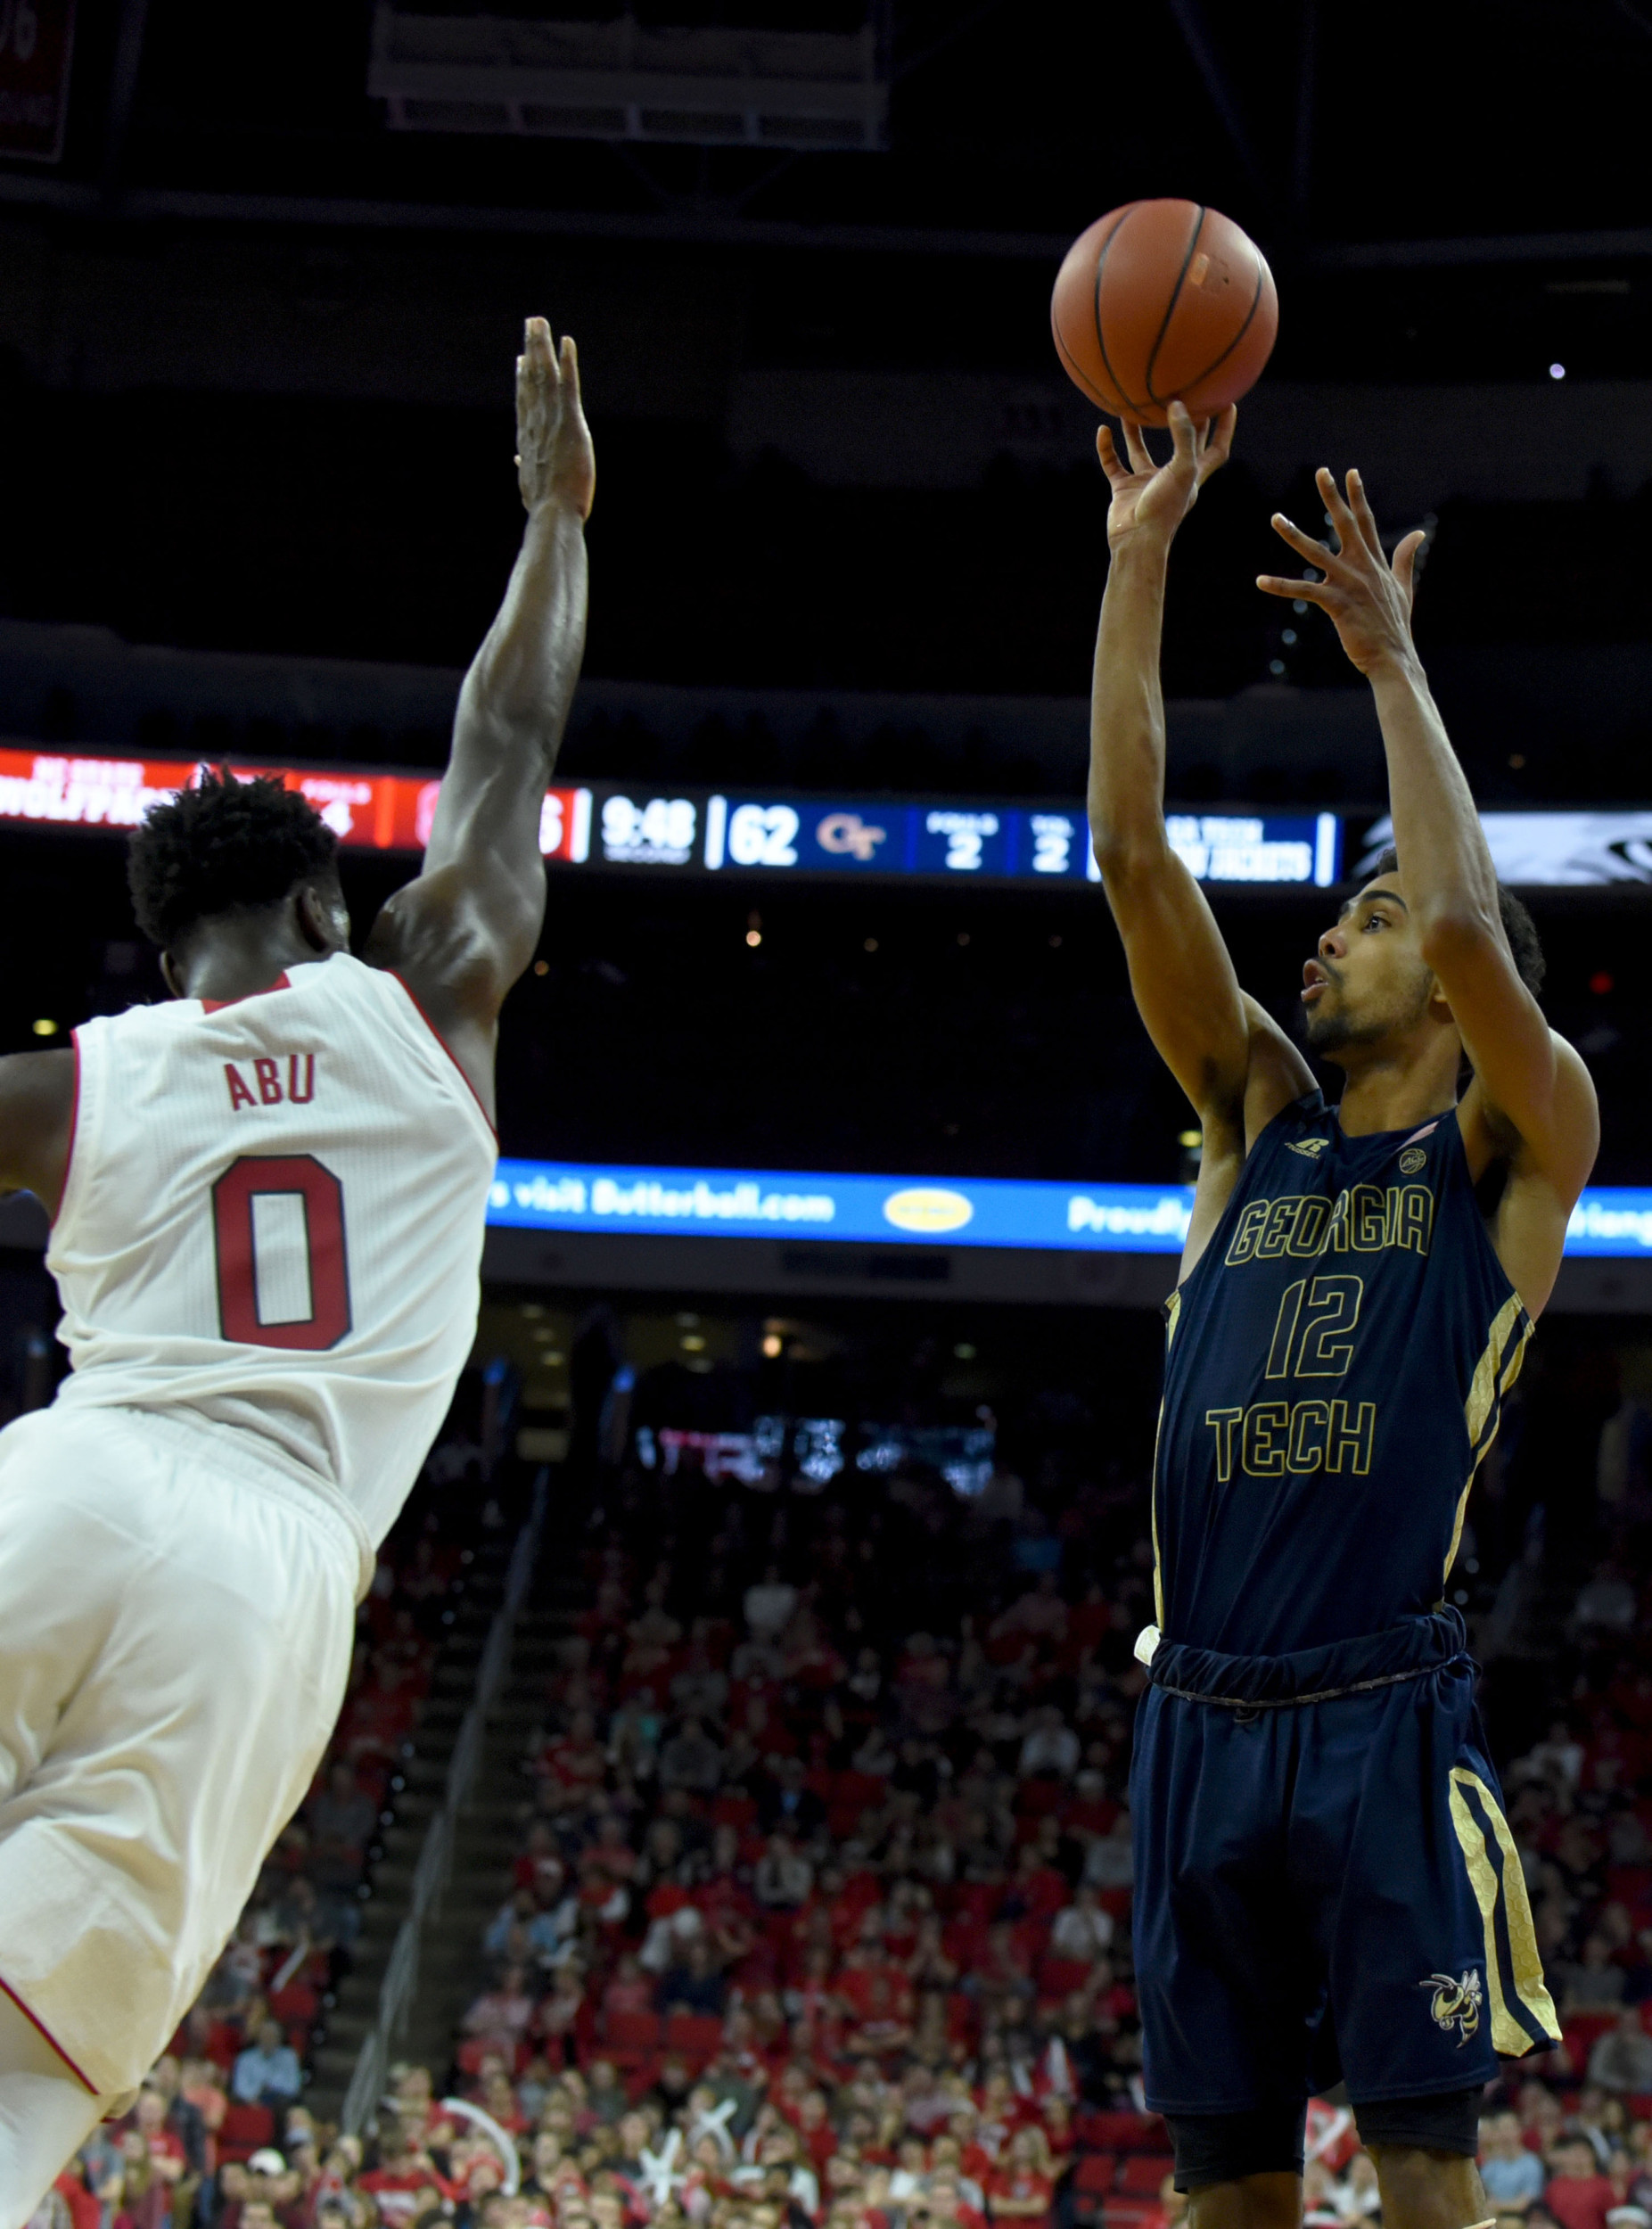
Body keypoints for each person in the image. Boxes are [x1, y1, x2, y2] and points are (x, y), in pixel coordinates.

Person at [0, 316, 595, 2213]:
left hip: (73, 1475)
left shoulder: (74, 1083)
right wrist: (557, 520)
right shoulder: (428, 990)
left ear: (163, 938)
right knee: (19, 2080)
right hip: (265, 1583)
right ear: (330, 904)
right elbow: (507, 740)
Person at [1087, 403, 1599, 2225]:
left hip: (1380, 1708)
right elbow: (1133, 858)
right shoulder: (1251, 1124)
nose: (1331, 937)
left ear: (1463, 999)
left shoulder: (1519, 1142)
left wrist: (1394, 662)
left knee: (1423, 2172)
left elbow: (1469, 910)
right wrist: (1139, 557)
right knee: (1222, 2183)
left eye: (1363, 918)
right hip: (1196, 1715)